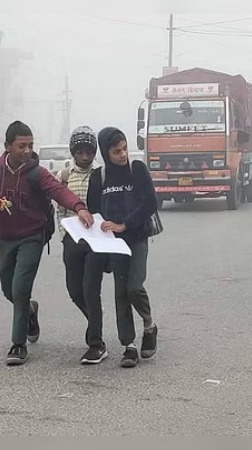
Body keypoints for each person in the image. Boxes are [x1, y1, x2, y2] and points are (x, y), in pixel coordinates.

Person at [0, 121, 94, 366]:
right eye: (21, 146)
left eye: (30, 146)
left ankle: (18, 344)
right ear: (7, 147)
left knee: (20, 288)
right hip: (5, 239)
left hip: (32, 237)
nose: (27, 151)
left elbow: (60, 192)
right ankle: (29, 310)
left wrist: (79, 207)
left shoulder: (38, 173)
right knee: (9, 289)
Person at [87, 127, 158, 368]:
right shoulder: (100, 177)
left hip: (137, 237)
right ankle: (129, 346)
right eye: (116, 151)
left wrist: (124, 225)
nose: (123, 155)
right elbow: (94, 210)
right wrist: (102, 228)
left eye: (125, 148)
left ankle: (149, 325)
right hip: (114, 244)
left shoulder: (136, 169)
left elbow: (150, 202)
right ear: (106, 153)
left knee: (134, 287)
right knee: (120, 293)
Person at [57, 126, 109, 364]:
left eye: (89, 151)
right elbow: (60, 211)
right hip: (72, 241)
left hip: (96, 242)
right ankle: (94, 321)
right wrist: (63, 236)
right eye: (80, 152)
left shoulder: (102, 174)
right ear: (74, 152)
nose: (85, 157)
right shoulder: (65, 176)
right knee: (75, 291)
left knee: (90, 290)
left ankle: (96, 344)